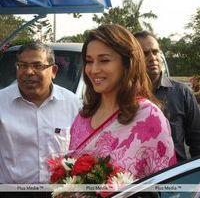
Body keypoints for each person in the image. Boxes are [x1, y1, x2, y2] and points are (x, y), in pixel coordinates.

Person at [69, 24, 177, 181]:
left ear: (127, 64)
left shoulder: (148, 116)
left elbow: (165, 186)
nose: (93, 69)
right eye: (89, 61)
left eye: (104, 60)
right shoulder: (83, 116)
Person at [0, 42, 80, 197]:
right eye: (22, 65)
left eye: (38, 66)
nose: (29, 72)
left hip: (60, 192)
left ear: (54, 71)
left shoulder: (73, 105)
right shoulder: (1, 102)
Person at [134, 31, 200, 161]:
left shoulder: (181, 93)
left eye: (155, 51)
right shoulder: (122, 95)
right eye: (145, 53)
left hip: (174, 177)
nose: (152, 58)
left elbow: (197, 142)